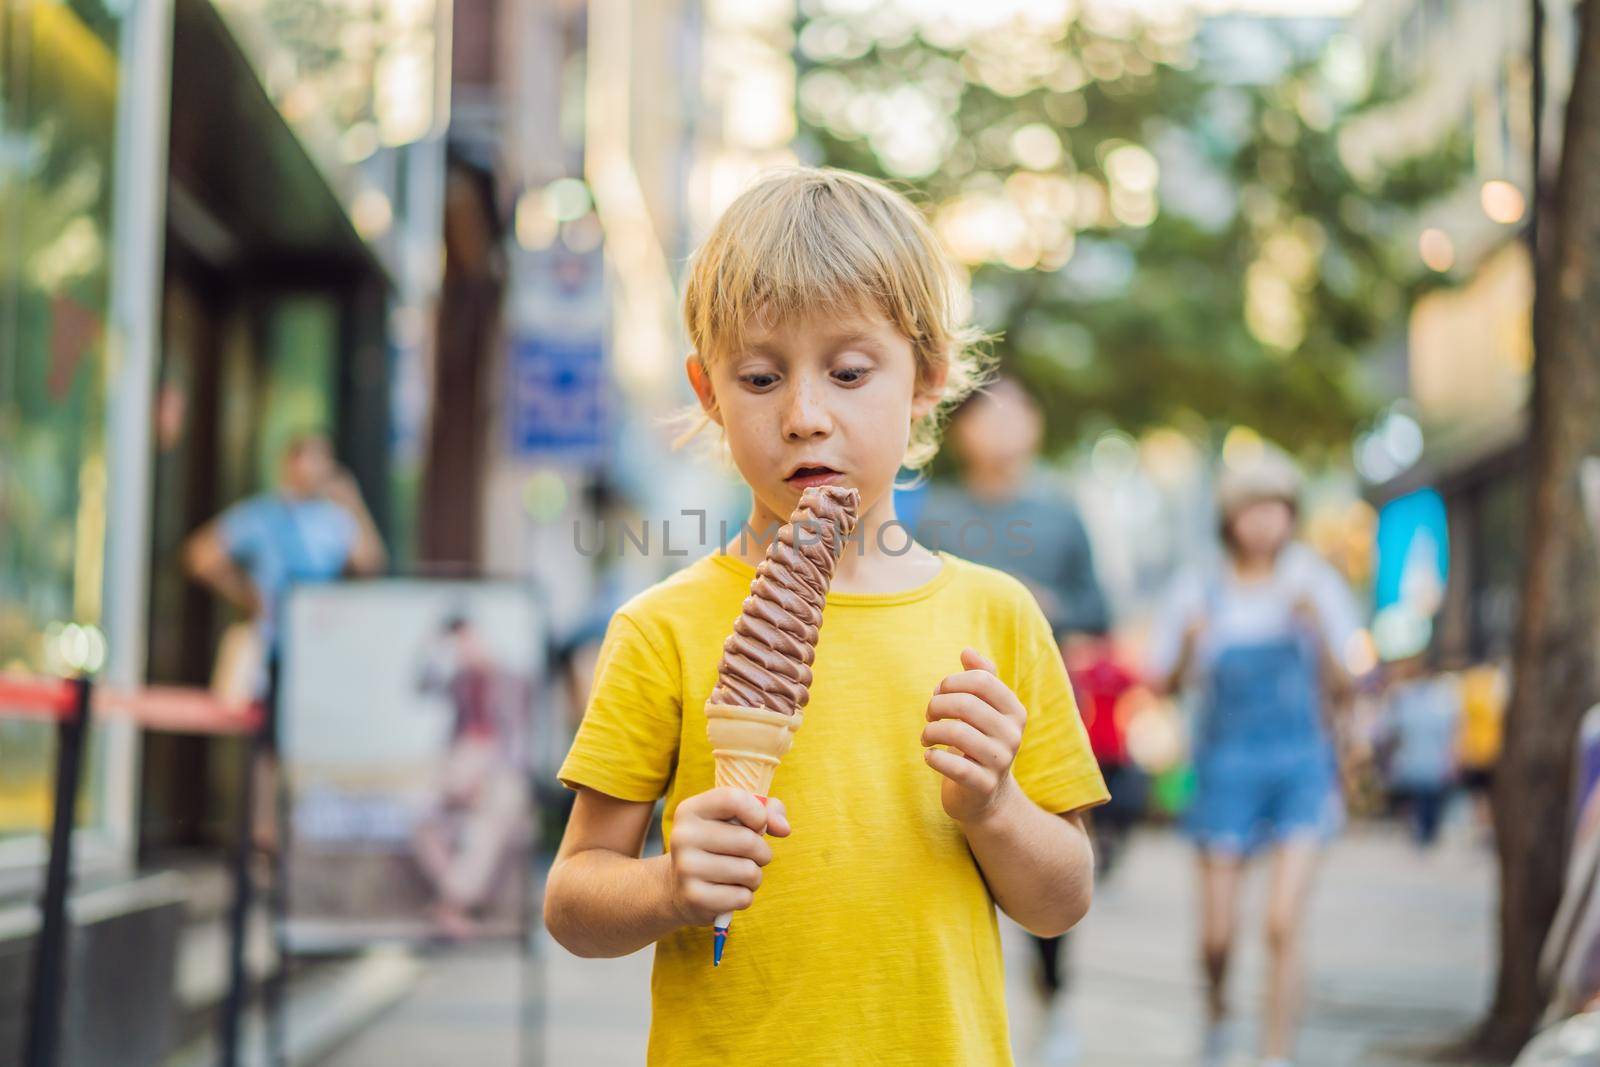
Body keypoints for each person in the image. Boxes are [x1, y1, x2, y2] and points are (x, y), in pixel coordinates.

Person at [543, 167, 1108, 1066]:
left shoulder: (993, 619)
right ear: (706, 391)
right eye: (761, 376)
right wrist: (667, 886)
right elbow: (574, 899)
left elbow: (1062, 898)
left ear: (926, 376)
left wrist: (994, 803)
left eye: (849, 372)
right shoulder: (662, 628)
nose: (805, 415)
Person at [919, 377, 1114, 1065]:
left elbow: (1100, 611)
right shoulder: (932, 513)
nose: (1002, 426)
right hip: (938, 711)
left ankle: (1054, 997)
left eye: (1017, 412)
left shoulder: (1061, 512)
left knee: (1046, 852)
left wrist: (1047, 606)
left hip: (1038, 714)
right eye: (986, 414)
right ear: (959, 428)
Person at [1148, 447, 1359, 1067]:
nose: (1265, 522)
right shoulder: (1198, 588)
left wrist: (1318, 630)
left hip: (1299, 762)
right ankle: (1217, 1011)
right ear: (1230, 518)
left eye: (1277, 509)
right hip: (1224, 769)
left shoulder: (1312, 582)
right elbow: (1161, 684)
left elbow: (1347, 682)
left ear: (1292, 515)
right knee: (1217, 937)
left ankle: (1276, 1053)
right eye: (1252, 509)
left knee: (1280, 921)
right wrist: (1187, 650)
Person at [184, 430, 387, 832]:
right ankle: (265, 839)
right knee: (269, 748)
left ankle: (300, 835)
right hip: (278, 649)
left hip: (323, 653)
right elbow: (201, 554)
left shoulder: (333, 519)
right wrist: (246, 594)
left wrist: (353, 503)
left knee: (313, 746)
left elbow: (371, 564)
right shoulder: (263, 516)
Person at [413, 615, 531, 939]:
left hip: (498, 762)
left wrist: (484, 776)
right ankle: (456, 900)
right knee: (420, 816)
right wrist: (431, 648)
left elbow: (515, 738)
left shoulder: (509, 678)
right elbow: (421, 687)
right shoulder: (458, 679)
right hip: (460, 756)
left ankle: (450, 905)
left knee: (492, 820)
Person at [1379, 651, 1461, 848]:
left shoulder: (1436, 696)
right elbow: (1392, 727)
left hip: (1427, 760)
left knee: (1428, 800)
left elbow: (1449, 727)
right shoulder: (1409, 696)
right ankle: (1424, 836)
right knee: (1423, 799)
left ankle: (1426, 836)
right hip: (1419, 760)